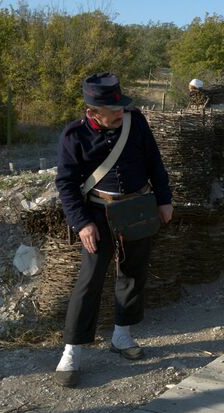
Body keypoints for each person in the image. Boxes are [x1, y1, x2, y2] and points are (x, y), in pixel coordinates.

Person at [54, 72, 173, 387]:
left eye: (121, 106)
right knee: (89, 280)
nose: (121, 112)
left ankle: (122, 335)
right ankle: (72, 352)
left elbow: (154, 163)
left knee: (134, 272)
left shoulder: (136, 122)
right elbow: (65, 184)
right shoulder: (74, 136)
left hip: (138, 209)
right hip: (97, 212)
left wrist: (164, 200)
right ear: (93, 113)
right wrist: (82, 223)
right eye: (113, 109)